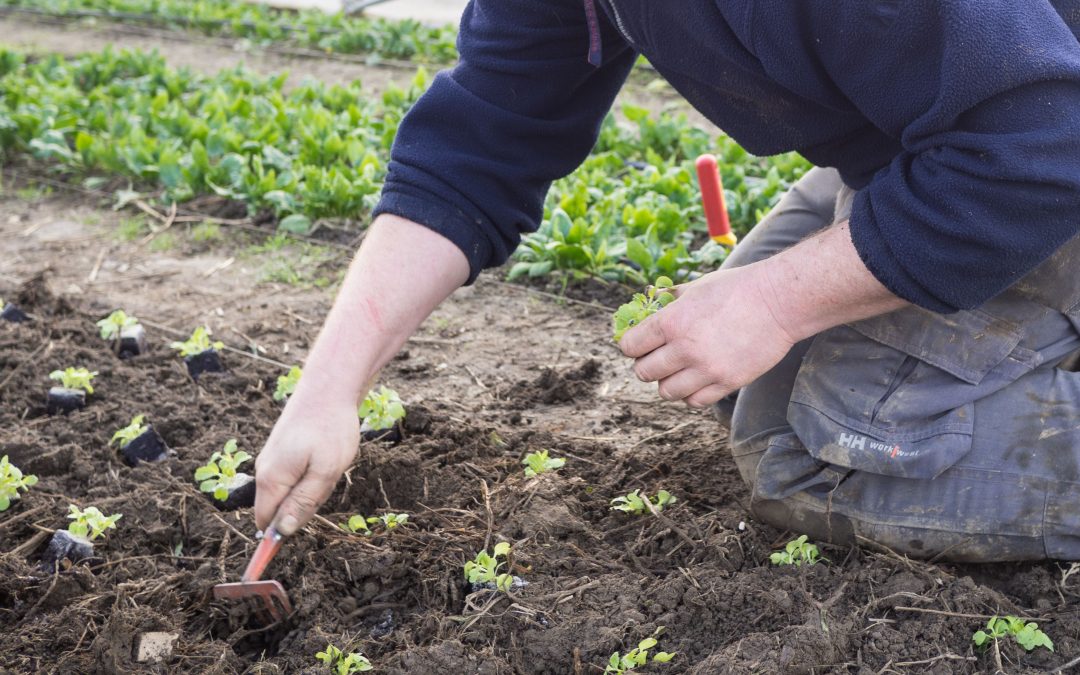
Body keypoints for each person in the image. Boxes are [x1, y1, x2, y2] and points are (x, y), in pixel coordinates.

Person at [254, 0, 1080, 562]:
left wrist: (775, 296)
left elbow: (1045, 143)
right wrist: (328, 389)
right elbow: (479, 145)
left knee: (821, 459)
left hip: (1035, 152)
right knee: (751, 387)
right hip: (952, 142)